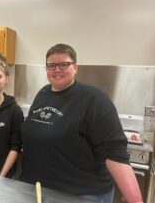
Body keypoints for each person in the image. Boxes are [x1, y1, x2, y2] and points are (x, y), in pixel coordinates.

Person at [20, 44, 143, 203]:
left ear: (75, 67)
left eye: (64, 64)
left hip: (81, 194)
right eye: (51, 65)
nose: (57, 69)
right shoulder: (43, 93)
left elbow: (114, 151)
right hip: (38, 190)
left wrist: (136, 200)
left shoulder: (94, 99)